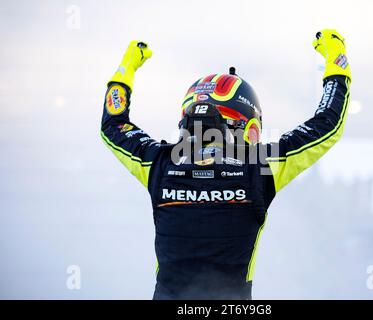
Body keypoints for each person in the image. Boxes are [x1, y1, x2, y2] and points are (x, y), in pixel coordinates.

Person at [101, 29, 351, 299]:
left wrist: (126, 69)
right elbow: (327, 123)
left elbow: (113, 125)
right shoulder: (259, 168)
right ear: (246, 126)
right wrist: (337, 63)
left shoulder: (158, 164)